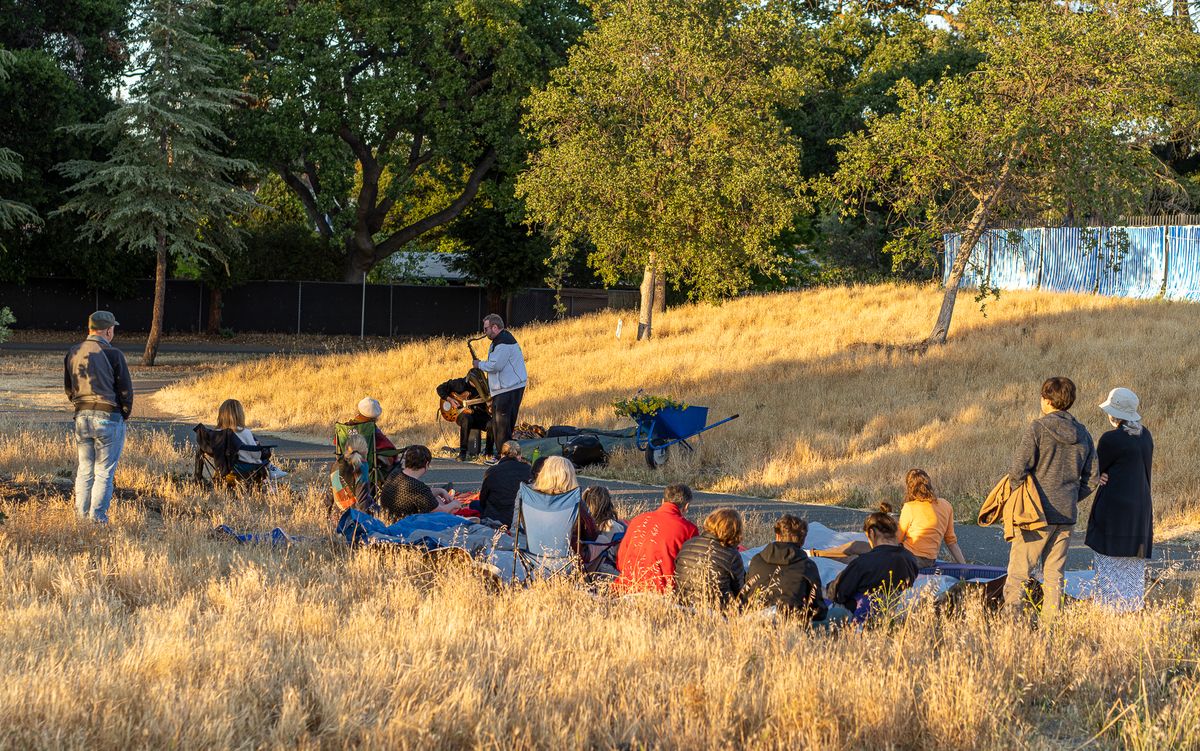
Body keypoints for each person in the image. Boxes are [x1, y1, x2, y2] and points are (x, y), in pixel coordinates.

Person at [1003, 376, 1096, 619]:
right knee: (1055, 576)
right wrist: (1071, 497)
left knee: (1019, 573)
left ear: (1046, 400)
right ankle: (1051, 626)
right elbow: (1093, 477)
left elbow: (1017, 471)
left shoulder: (1037, 428)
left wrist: (1022, 496)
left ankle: (1011, 624)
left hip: (1035, 514)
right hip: (1065, 514)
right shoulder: (1083, 433)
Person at [1085, 387, 1154, 612]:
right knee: (1133, 570)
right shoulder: (1146, 436)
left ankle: (1109, 611)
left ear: (1114, 414)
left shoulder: (1111, 439)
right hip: (1140, 509)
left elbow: (1095, 470)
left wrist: (1099, 476)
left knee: (1108, 565)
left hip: (1114, 509)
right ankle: (1131, 610)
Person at [64, 310, 133, 524]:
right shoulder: (114, 354)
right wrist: (124, 413)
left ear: (90, 328)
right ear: (109, 331)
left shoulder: (73, 352)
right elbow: (125, 390)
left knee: (85, 469)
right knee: (104, 472)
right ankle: (97, 520)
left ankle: (81, 518)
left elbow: (69, 389)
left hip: (82, 416)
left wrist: (79, 405)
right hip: (108, 416)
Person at [827, 506, 919, 622]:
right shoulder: (910, 559)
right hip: (890, 615)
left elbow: (837, 594)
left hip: (857, 617)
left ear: (871, 532)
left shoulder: (863, 562)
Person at [612, 484, 698, 593]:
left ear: (662, 501)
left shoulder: (638, 520)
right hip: (662, 592)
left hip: (625, 587)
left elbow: (621, 561)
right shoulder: (689, 529)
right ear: (686, 506)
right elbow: (691, 569)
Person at [741, 515, 826, 621]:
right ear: (803, 541)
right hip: (791, 623)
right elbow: (817, 609)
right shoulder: (807, 566)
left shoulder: (756, 560)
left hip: (754, 620)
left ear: (777, 536)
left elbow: (745, 594)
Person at [472, 314, 527, 464]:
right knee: (497, 424)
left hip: (509, 388)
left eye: (486, 329)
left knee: (503, 426)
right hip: (503, 389)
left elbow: (496, 366)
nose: (484, 332)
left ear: (495, 327)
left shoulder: (503, 343)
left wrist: (479, 364)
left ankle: (505, 458)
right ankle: (501, 455)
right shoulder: (499, 341)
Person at [519, 456, 598, 556]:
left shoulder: (530, 498)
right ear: (569, 477)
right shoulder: (574, 501)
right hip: (567, 561)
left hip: (533, 558)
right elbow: (592, 535)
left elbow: (520, 527)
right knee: (604, 539)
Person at [674, 508, 746, 609]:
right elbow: (741, 592)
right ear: (735, 531)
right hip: (716, 611)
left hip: (683, 606)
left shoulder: (688, 544)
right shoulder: (732, 555)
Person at [896, 469, 966, 569]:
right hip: (930, 561)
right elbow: (951, 541)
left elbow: (897, 539)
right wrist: (964, 566)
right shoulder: (946, 505)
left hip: (910, 559)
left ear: (909, 488)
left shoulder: (909, 507)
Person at [377, 445, 461, 522]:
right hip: (404, 525)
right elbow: (440, 512)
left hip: (387, 519)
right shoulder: (416, 486)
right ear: (426, 464)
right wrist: (454, 504)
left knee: (437, 499)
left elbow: (423, 495)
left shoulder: (396, 473)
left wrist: (440, 491)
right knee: (445, 511)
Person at [216, 398, 287, 479]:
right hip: (244, 467)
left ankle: (272, 468)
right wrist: (257, 447)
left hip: (223, 466)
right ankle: (271, 470)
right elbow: (256, 455)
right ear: (239, 415)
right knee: (262, 452)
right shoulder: (244, 432)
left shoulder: (217, 433)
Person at [436, 374, 492, 461]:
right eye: (475, 384)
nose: (478, 386)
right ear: (470, 380)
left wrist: (490, 408)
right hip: (461, 414)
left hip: (479, 414)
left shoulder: (485, 387)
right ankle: (463, 452)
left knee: (492, 423)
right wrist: (450, 400)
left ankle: (488, 453)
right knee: (467, 419)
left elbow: (489, 407)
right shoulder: (460, 383)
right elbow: (440, 388)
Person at [478, 441, 531, 526]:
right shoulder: (529, 470)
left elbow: (483, 499)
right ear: (520, 456)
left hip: (495, 517)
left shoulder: (492, 470)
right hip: (520, 518)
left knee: (474, 505)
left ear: (502, 455)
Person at [342, 397, 399, 471]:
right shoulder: (372, 430)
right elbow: (387, 447)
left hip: (347, 462)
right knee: (389, 457)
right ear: (375, 417)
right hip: (367, 463)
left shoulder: (345, 428)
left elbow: (336, 442)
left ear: (359, 411)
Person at [330, 432, 375, 513]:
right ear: (365, 450)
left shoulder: (336, 464)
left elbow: (330, 496)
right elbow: (362, 503)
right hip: (354, 516)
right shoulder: (362, 466)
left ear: (346, 448)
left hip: (337, 514)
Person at [584, 486, 625, 573]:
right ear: (608, 504)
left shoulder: (582, 524)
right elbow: (621, 555)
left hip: (586, 568)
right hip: (606, 568)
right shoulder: (613, 526)